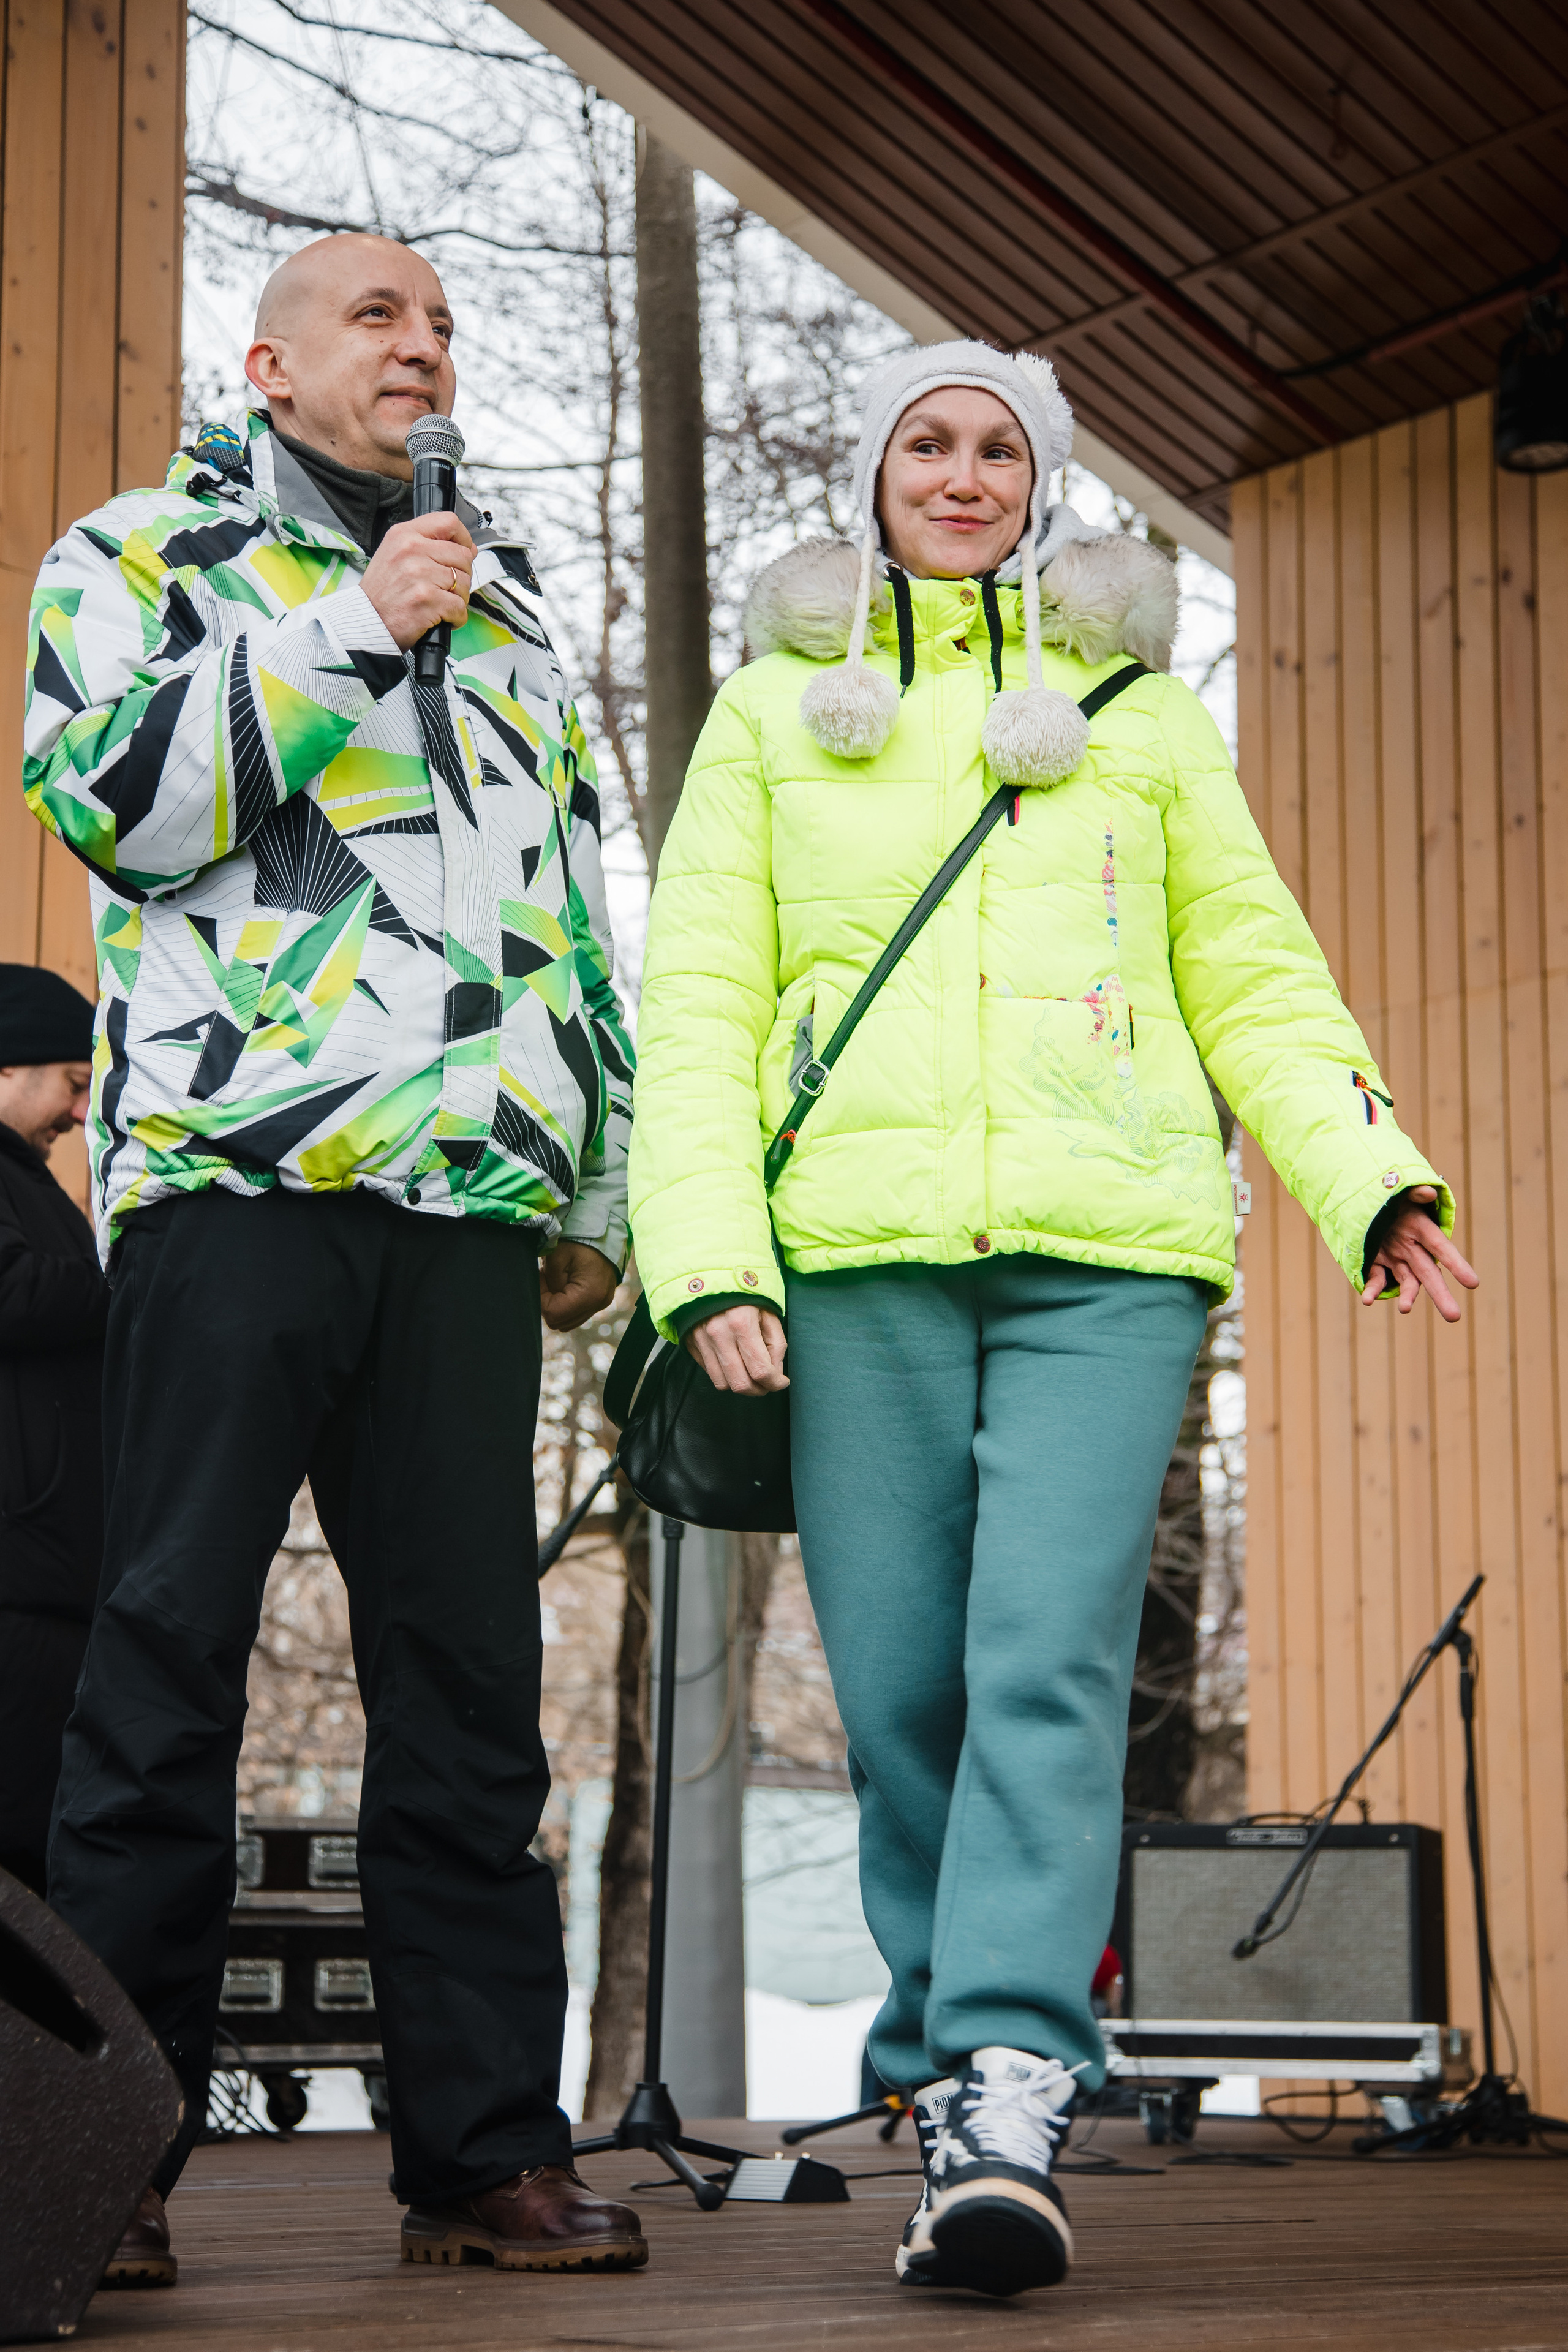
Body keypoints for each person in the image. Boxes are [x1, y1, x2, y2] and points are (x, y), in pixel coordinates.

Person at [628, 341, 1477, 2299]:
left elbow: (1253, 973)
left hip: (1111, 1259)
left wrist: (1374, 1177)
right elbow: (699, 1009)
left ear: (1045, 486)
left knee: (1044, 1668)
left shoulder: (1138, 718)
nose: (961, 473)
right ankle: (950, 2073)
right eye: (926, 442)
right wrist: (711, 1260)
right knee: (911, 1689)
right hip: (853, 1261)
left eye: (997, 448)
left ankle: (1011, 2073)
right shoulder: (774, 716)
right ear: (875, 475)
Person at [23, 235, 644, 2286]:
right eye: (379, 319)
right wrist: (348, 631)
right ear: (268, 365)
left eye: (443, 325)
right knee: (165, 1673)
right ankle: (97, 2162)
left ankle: (482, 2153)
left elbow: (567, 914)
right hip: (237, 1192)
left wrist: (595, 1183)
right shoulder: (137, 558)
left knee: (471, 1695)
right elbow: (109, 805)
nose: (423, 348)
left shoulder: (522, 616)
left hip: (462, 1221)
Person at [0, 966, 107, 1898]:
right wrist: (130, 1276)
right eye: (74, 1082)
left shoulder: (27, 1186)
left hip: (48, 1586)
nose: (81, 1113)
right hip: (17, 1588)